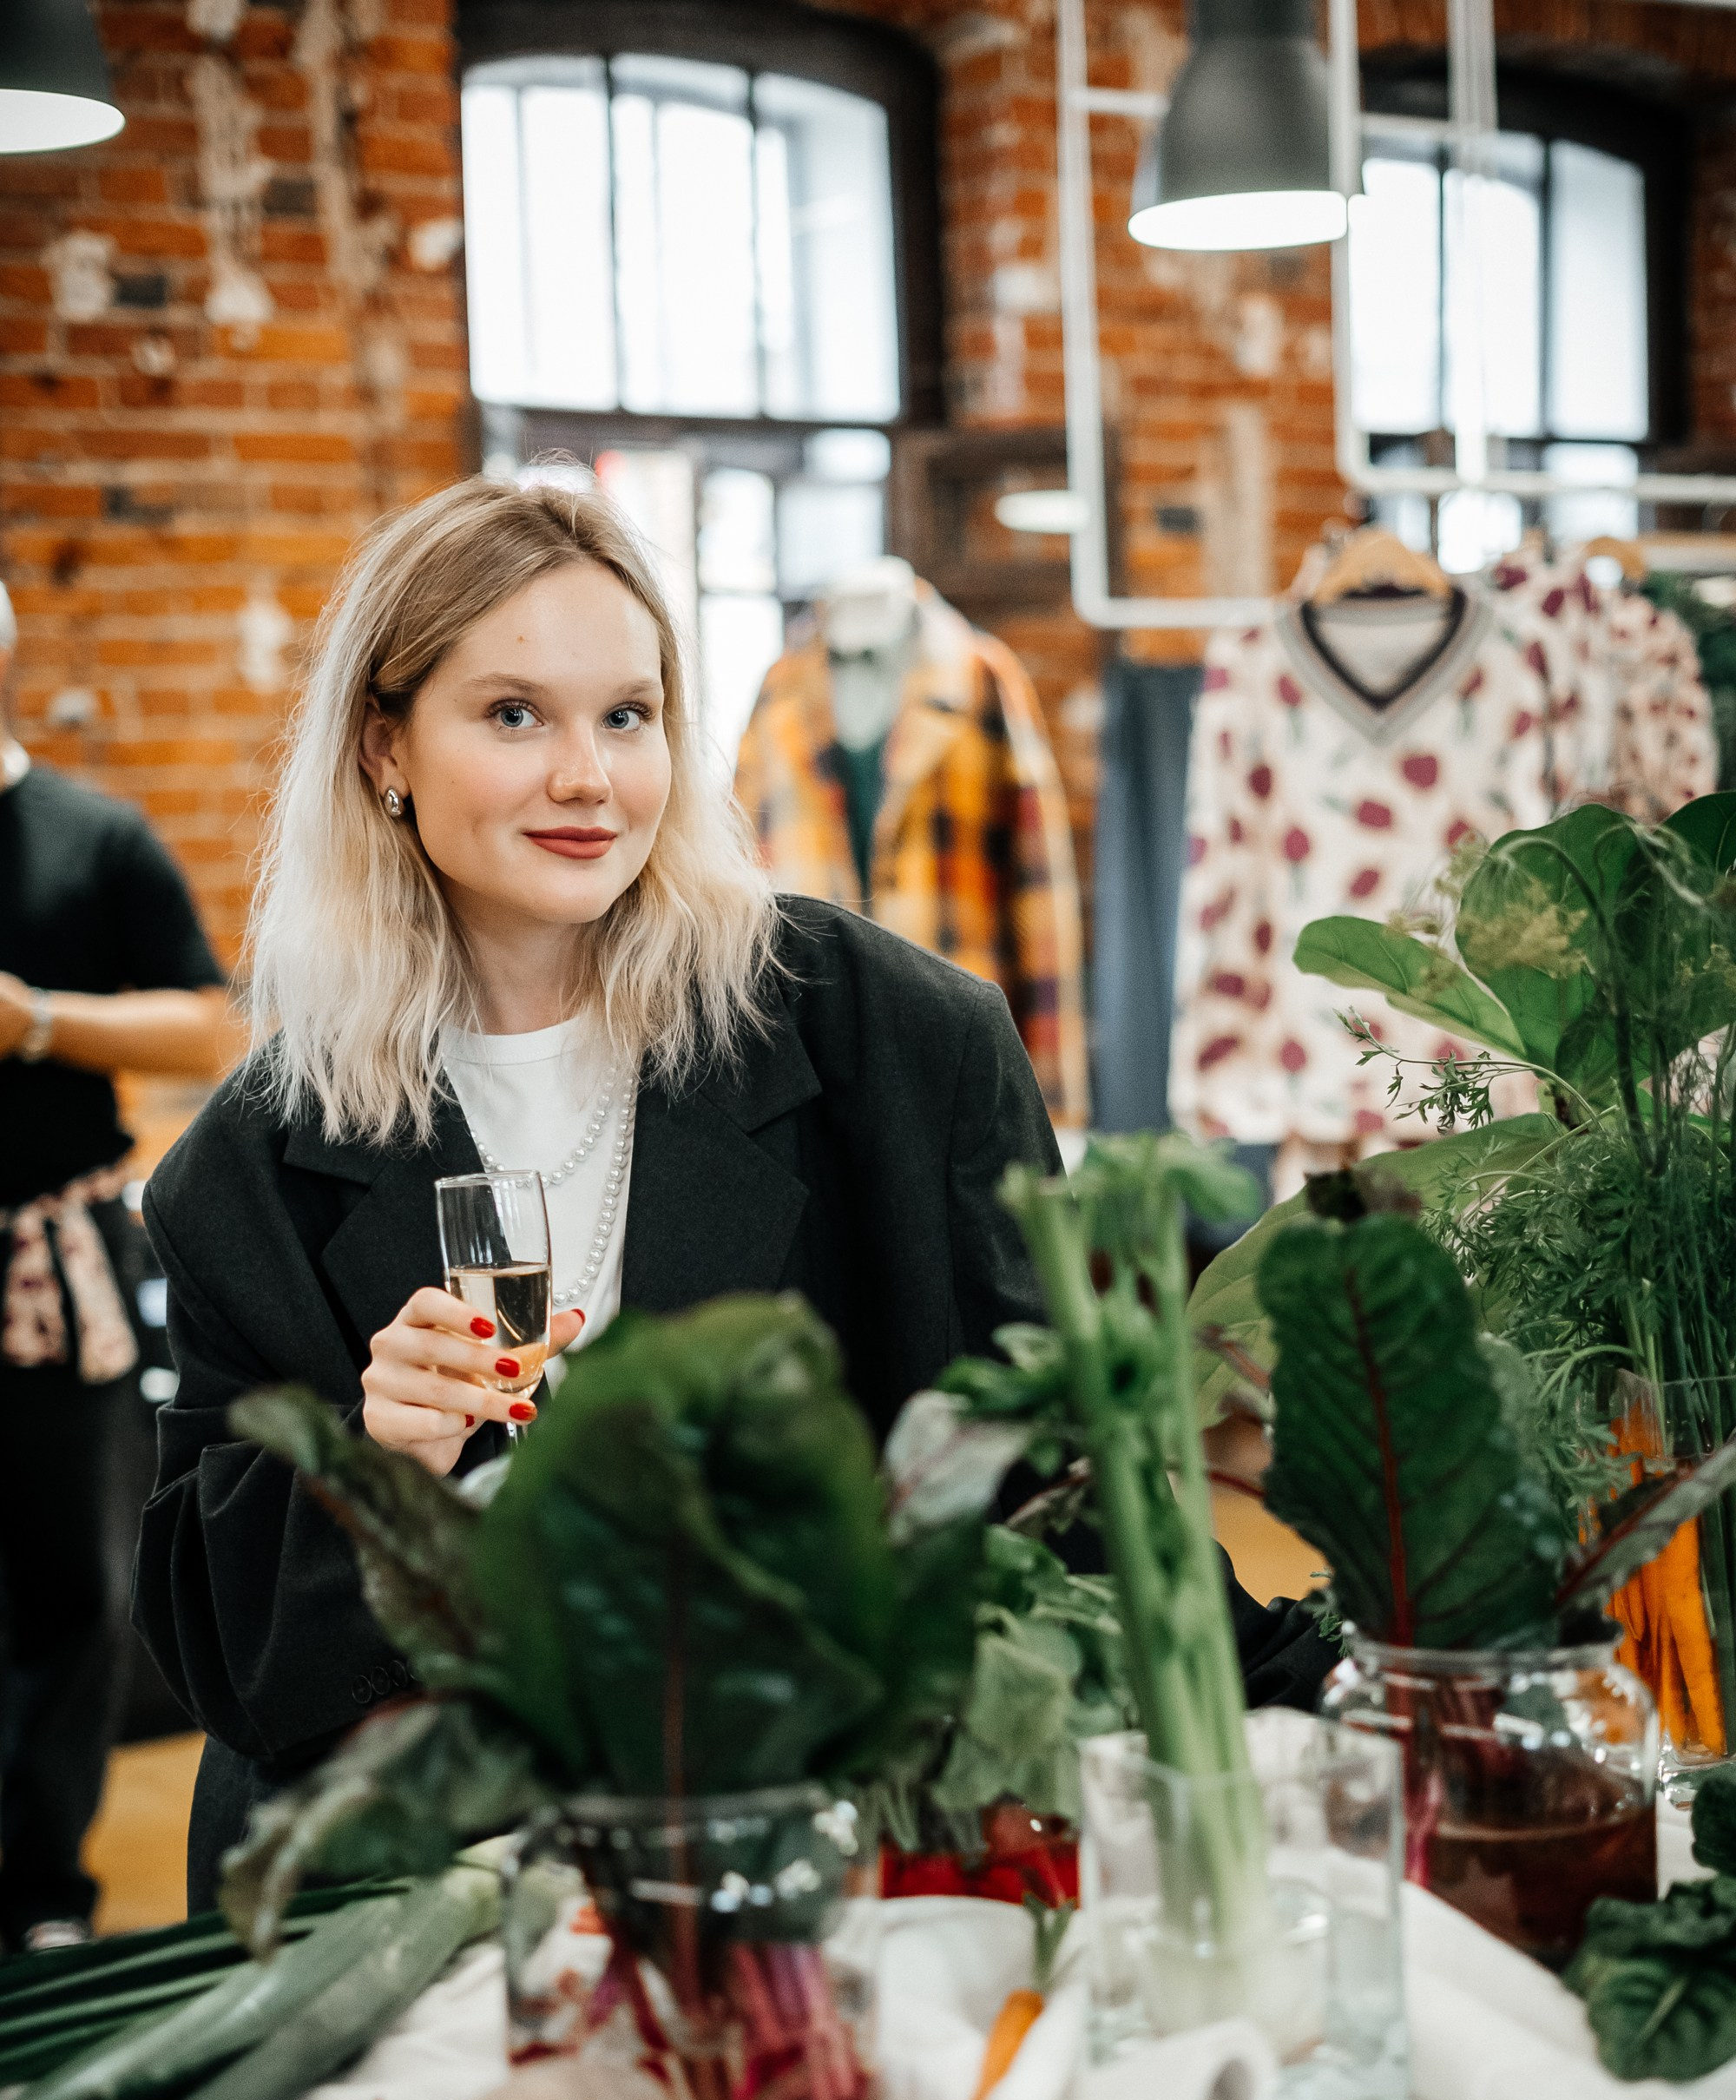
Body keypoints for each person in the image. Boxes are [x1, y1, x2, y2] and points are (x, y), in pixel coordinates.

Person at [132, 479, 1330, 1912]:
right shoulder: (254, 1164)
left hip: (827, 1855)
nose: (588, 777)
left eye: (627, 716)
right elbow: (221, 1653)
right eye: (515, 715)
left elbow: (1061, 1477)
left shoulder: (891, 1041)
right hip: (436, 1895)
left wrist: (1319, 1695)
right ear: (386, 747)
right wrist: (376, 1460)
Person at [0, 580, 228, 1950]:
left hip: (52, 1254)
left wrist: (31, 1023)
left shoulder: (95, 839)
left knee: (69, 1583)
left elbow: (204, 1030)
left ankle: (43, 1895)